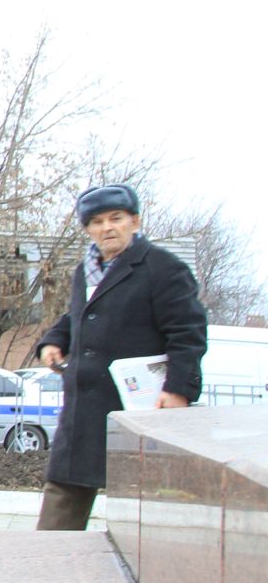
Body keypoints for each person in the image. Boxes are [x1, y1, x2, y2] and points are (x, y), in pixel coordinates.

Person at [35, 183, 207, 530]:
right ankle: (47, 575)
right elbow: (79, 315)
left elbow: (188, 333)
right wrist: (54, 340)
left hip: (137, 407)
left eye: (116, 218)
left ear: (135, 221)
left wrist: (178, 390)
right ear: (88, 229)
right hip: (83, 408)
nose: (107, 228)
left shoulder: (163, 268)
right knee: (60, 509)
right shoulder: (86, 271)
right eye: (97, 222)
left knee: (144, 514)